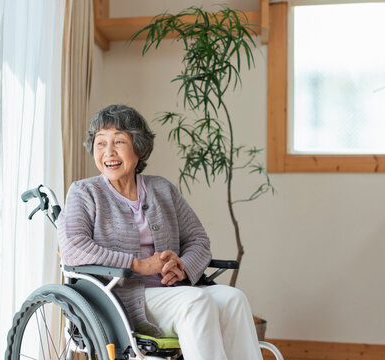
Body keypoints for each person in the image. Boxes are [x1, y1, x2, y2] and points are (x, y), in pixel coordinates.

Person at [57, 104, 262, 360]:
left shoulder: (162, 189)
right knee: (195, 302)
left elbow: (198, 239)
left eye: (119, 141)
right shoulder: (84, 192)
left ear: (139, 147)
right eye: (100, 143)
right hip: (122, 298)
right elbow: (73, 247)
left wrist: (183, 267)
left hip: (173, 290)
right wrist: (138, 265)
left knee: (234, 298)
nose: (108, 152)